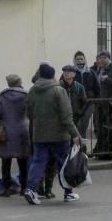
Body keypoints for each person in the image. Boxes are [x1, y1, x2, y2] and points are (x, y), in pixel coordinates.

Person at [23, 64, 81, 205]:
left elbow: (28, 113)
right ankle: (68, 192)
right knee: (63, 163)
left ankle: (30, 189)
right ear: (53, 75)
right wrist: (75, 134)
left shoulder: (32, 91)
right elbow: (66, 116)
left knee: (38, 162)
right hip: (59, 135)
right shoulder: (58, 91)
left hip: (39, 134)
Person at [0, 74, 28, 197]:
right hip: (22, 132)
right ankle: (24, 188)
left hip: (6, 132)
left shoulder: (2, 96)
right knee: (23, 161)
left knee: (5, 162)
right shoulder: (25, 96)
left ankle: (6, 188)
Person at [92, 51, 112, 141]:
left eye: (104, 58)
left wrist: (108, 79)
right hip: (101, 102)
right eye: (100, 58)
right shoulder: (100, 69)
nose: (101, 60)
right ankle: (101, 148)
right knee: (99, 126)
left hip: (111, 104)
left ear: (108, 58)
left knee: (110, 127)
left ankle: (109, 150)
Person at [61, 65, 90, 137]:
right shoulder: (58, 85)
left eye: (69, 71)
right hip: (62, 117)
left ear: (74, 74)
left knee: (76, 137)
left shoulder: (79, 86)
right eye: (64, 71)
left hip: (75, 117)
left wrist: (80, 112)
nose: (66, 73)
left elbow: (85, 102)